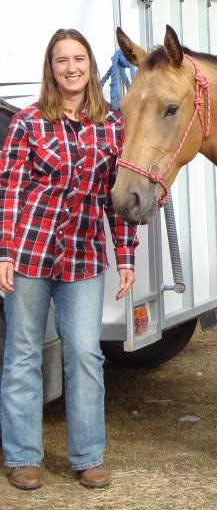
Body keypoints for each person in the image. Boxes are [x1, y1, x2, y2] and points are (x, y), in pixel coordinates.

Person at [0, 28, 138, 490]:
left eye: (79, 58)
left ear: (91, 66)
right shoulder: (27, 123)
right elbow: (9, 192)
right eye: (62, 60)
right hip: (29, 255)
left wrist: (125, 257)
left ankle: (87, 456)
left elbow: (115, 201)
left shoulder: (113, 127)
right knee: (21, 355)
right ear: (51, 68)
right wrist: (4, 252)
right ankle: (22, 455)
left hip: (82, 258)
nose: (71, 67)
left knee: (84, 353)